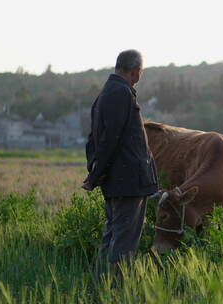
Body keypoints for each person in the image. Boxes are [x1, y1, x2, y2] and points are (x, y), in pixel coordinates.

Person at [83, 49, 158, 279]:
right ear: (135, 71)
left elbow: (94, 141)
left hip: (120, 181)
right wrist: (95, 176)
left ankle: (99, 288)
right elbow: (108, 140)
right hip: (127, 184)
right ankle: (116, 291)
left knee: (112, 237)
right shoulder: (120, 93)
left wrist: (95, 172)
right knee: (124, 242)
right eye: (140, 72)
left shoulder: (108, 92)